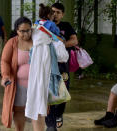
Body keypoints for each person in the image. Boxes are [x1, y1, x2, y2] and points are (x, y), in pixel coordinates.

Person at [45, 2, 78, 131]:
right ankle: (50, 125)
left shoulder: (66, 26)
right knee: (49, 94)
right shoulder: (45, 26)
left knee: (63, 93)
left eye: (58, 12)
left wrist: (59, 45)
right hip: (48, 65)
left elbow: (74, 41)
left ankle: (59, 114)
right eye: (53, 12)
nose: (55, 14)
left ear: (62, 14)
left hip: (63, 66)